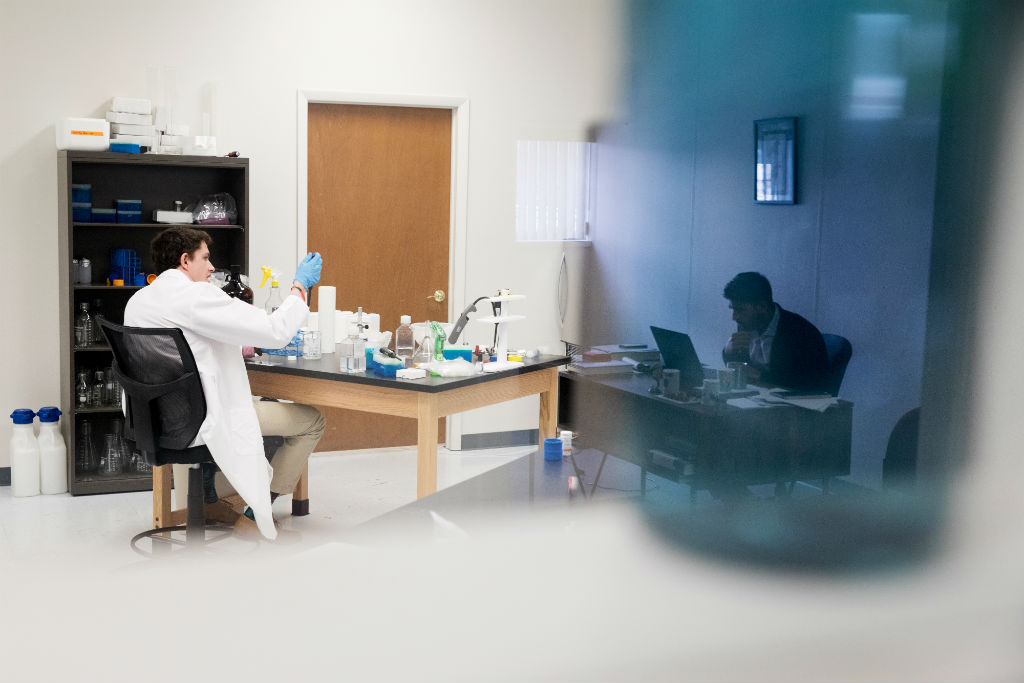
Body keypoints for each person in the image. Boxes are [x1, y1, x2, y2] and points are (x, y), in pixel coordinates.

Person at [124, 226, 325, 540]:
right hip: (203, 420)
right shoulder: (194, 295)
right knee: (311, 421)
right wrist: (299, 286)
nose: (211, 266)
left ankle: (213, 487)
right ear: (184, 261)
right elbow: (275, 331)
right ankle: (254, 515)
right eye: (205, 258)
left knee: (261, 412)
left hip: (157, 421)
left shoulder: (138, 301)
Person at [721, 272, 829, 393]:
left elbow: (807, 382)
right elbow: (740, 370)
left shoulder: (800, 332)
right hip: (760, 401)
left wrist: (760, 376)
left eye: (740, 310)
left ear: (762, 307)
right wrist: (728, 351)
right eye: (733, 309)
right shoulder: (748, 324)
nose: (734, 317)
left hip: (795, 407)